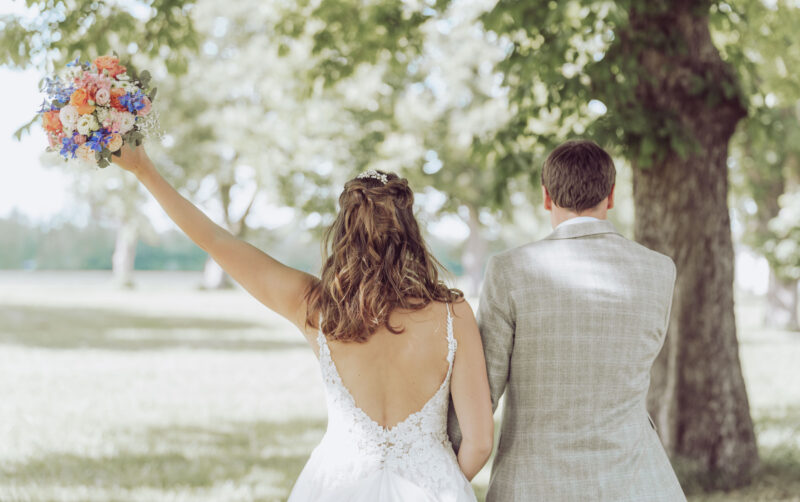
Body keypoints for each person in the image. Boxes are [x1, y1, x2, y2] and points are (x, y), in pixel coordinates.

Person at [113, 145, 494, 501]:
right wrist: (437, 483)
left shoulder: (315, 306)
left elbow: (215, 240)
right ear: (412, 233)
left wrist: (143, 169)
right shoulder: (453, 312)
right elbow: (479, 443)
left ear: (343, 232)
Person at [449, 139, 687, 501]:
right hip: (639, 483)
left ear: (546, 197)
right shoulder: (659, 269)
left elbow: (483, 390)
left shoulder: (509, 270)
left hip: (534, 485)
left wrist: (436, 459)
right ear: (610, 195)